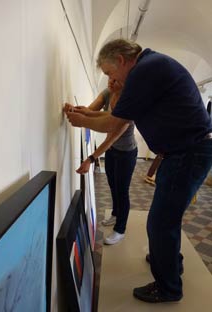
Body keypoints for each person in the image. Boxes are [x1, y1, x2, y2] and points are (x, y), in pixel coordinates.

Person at [65, 39, 212, 303]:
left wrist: (81, 120)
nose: (111, 79)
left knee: (160, 221)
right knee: (165, 216)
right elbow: (113, 115)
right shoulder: (151, 66)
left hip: (188, 153)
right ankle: (168, 260)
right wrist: (83, 114)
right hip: (184, 152)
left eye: (110, 72)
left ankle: (168, 288)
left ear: (121, 60)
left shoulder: (146, 70)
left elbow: (114, 122)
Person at [64, 78, 138, 245]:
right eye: (109, 77)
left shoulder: (129, 103)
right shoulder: (107, 93)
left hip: (127, 152)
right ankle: (116, 213)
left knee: (122, 190)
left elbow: (111, 138)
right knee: (113, 184)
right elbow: (90, 110)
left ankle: (120, 229)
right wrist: (74, 110)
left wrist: (91, 159)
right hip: (112, 151)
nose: (111, 81)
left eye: (115, 78)